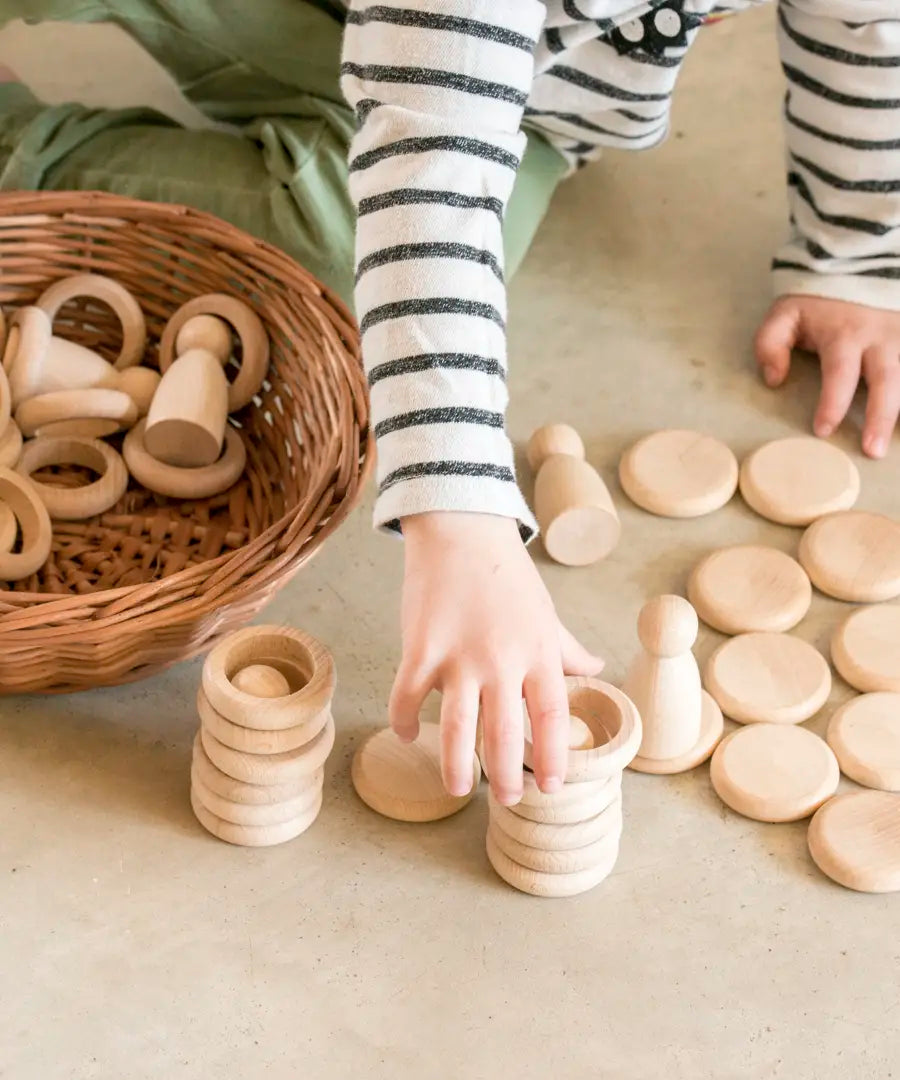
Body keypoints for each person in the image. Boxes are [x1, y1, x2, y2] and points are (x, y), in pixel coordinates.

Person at [2, 1, 898, 807]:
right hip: (419, 38)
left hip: (523, 78)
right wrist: (460, 517)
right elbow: (432, 155)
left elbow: (863, 19)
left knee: (353, 251)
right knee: (413, 196)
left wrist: (854, 253)